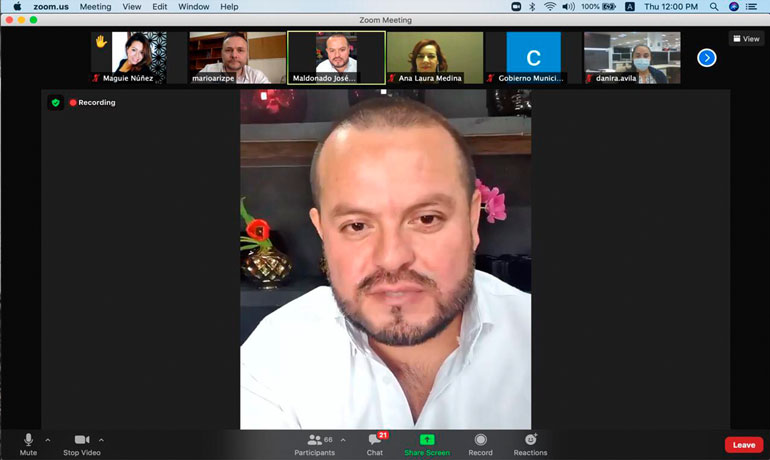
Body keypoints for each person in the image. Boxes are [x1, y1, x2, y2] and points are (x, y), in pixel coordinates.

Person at [241, 97, 531, 429]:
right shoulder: (272, 359)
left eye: (426, 219)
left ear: (471, 220)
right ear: (323, 232)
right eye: (357, 226)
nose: (392, 258)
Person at [196, 32, 270, 84]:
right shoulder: (208, 71)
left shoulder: (257, 77)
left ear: (247, 54)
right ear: (221, 53)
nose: (234, 55)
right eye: (228, 50)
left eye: (240, 50)